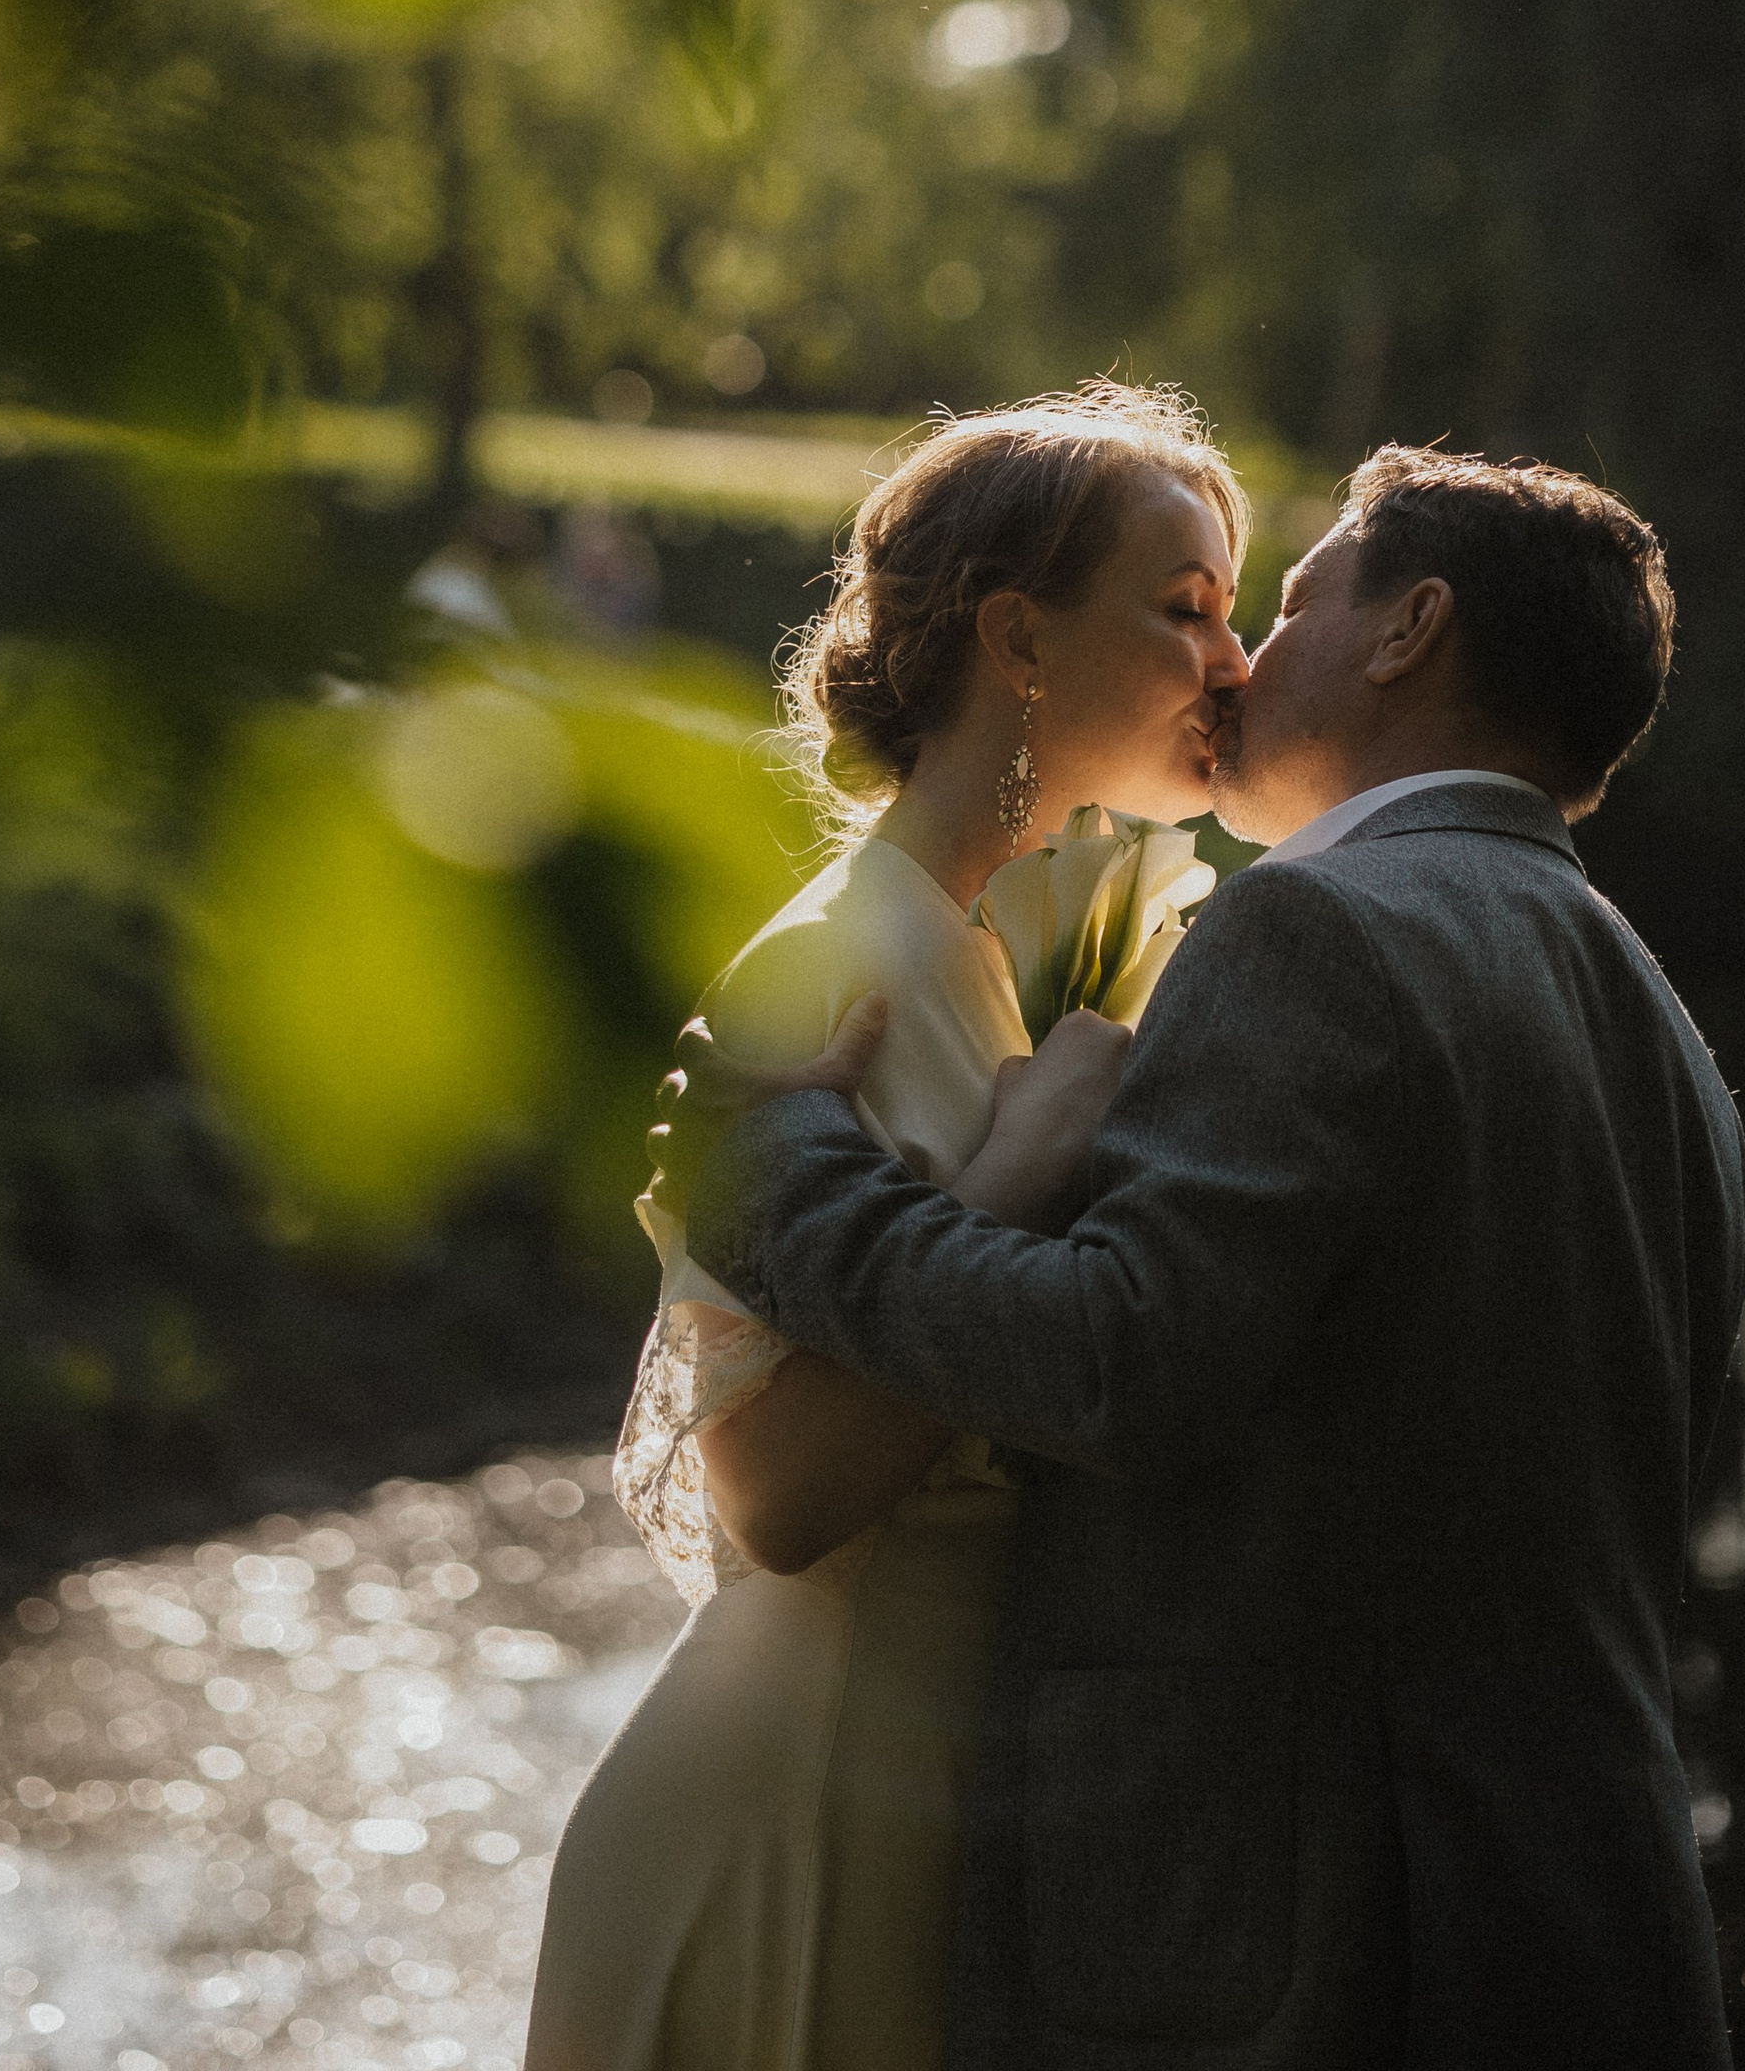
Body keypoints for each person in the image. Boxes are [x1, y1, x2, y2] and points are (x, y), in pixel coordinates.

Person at [673, 443, 1745, 2071]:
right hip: (1588, 1927)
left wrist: (786, 1183)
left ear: (1411, 632)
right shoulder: (1661, 1025)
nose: (1249, 657)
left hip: (1301, 1953)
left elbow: (1116, 1359)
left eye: (1298, 597)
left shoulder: (1318, 933)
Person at [523, 381, 1256, 2071]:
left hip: (928, 1797)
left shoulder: (977, 947)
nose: (1234, 660)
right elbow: (774, 1499)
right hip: (793, 1805)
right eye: (1186, 608)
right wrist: (1021, 1168)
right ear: (1018, 636)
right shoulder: (828, 967)